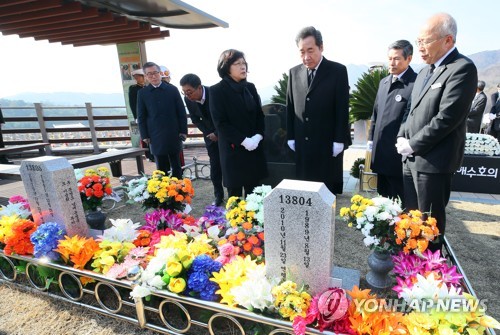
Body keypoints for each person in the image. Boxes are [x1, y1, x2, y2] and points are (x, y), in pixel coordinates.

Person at [396, 13, 477, 251]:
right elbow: (410, 110)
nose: (420, 47)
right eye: (418, 41)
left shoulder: (462, 69)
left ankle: (428, 276)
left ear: (448, 40)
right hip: (410, 159)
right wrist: (402, 135)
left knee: (429, 224)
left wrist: (414, 144)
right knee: (409, 221)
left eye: (426, 41)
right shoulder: (424, 71)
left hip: (434, 162)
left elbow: (447, 118)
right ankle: (408, 268)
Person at [286, 26, 351, 194]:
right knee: (305, 191)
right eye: (302, 52)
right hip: (302, 146)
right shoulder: (294, 73)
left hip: (327, 145)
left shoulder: (338, 71)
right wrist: (291, 136)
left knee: (326, 192)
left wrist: (339, 140)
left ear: (321, 47)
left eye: (310, 50)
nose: (306, 57)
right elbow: (290, 107)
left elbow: (342, 108)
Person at [209, 49, 268, 197]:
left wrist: (258, 136)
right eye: (237, 63)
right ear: (226, 67)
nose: (243, 67)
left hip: (253, 149)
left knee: (254, 194)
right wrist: (243, 140)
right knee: (235, 197)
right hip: (233, 150)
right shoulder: (217, 90)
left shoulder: (250, 87)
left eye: (244, 63)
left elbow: (260, 116)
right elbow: (221, 123)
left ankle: (254, 220)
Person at [368, 40, 417, 206]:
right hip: (380, 151)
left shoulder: (415, 84)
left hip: (398, 155)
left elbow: (412, 119)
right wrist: (370, 139)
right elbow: (375, 112)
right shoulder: (384, 82)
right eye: (389, 58)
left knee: (401, 200)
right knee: (383, 199)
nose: (391, 63)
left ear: (408, 59)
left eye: (396, 59)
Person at [180, 73, 225, 206]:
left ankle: (235, 194)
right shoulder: (188, 100)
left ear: (199, 87)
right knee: (215, 166)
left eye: (189, 92)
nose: (187, 96)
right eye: (184, 93)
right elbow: (195, 119)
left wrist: (217, 133)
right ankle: (218, 195)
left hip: (225, 134)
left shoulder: (215, 94)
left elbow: (225, 116)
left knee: (229, 165)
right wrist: (209, 133)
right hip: (209, 136)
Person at [137, 62, 187, 178]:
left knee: (176, 166)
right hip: (155, 134)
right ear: (145, 76)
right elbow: (141, 116)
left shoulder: (172, 89)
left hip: (173, 133)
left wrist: (183, 131)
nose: (153, 76)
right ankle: (164, 193)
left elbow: (181, 112)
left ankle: (179, 192)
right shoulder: (142, 93)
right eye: (149, 74)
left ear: (160, 73)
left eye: (155, 73)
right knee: (160, 168)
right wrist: (145, 135)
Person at [128, 68, 155, 162]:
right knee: (145, 135)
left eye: (139, 77)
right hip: (141, 116)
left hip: (150, 115)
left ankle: (153, 153)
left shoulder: (148, 87)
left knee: (152, 135)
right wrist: (136, 117)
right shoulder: (133, 88)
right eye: (136, 77)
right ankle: (148, 155)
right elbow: (132, 104)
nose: (137, 79)